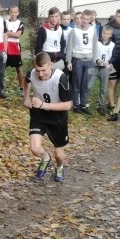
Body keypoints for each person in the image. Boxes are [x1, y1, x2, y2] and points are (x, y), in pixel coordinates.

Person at [24, 51, 72, 183]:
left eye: (43, 70)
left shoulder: (60, 77)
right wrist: (26, 97)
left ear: (51, 65)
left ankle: (59, 167)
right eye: (37, 70)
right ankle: (45, 158)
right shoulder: (31, 73)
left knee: (59, 155)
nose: (40, 74)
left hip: (57, 118)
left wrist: (44, 104)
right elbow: (26, 80)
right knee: (34, 147)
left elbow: (68, 105)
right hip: (38, 115)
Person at [65, 9, 96, 114]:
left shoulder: (93, 29)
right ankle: (76, 105)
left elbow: (95, 45)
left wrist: (94, 60)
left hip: (89, 60)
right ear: (80, 18)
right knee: (76, 83)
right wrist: (69, 61)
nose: (85, 21)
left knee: (85, 84)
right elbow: (70, 46)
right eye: (83, 18)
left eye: (87, 19)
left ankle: (83, 105)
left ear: (90, 19)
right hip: (77, 59)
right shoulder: (74, 30)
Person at [106, 8, 120, 112]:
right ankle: (111, 106)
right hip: (112, 61)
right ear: (115, 16)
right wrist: (108, 61)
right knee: (112, 83)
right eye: (118, 17)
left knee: (116, 83)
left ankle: (110, 101)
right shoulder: (109, 28)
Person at [88, 26, 115, 114]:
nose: (105, 35)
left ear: (110, 35)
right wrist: (96, 60)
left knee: (103, 88)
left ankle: (101, 105)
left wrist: (109, 62)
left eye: (107, 34)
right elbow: (92, 53)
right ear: (101, 33)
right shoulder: (96, 42)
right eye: (104, 33)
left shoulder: (112, 45)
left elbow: (114, 56)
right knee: (89, 85)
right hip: (95, 67)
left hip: (105, 69)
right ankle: (83, 103)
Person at [5, 5, 26, 96]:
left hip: (15, 48)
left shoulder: (20, 23)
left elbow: (17, 35)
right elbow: (2, 34)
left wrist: (7, 33)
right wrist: (10, 34)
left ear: (18, 13)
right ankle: (0, 88)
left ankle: (22, 88)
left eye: (15, 12)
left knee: (18, 68)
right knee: (2, 68)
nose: (13, 14)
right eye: (11, 12)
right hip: (5, 47)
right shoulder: (4, 22)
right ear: (9, 13)